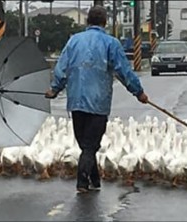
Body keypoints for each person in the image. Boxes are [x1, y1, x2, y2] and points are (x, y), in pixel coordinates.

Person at [45, 6, 149, 193]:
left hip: (75, 100)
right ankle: (82, 182)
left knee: (85, 143)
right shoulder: (111, 43)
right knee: (90, 144)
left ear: (87, 22)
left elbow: (62, 67)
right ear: (105, 22)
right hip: (98, 102)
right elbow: (123, 71)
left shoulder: (74, 41)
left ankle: (95, 180)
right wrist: (138, 92)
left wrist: (55, 89)